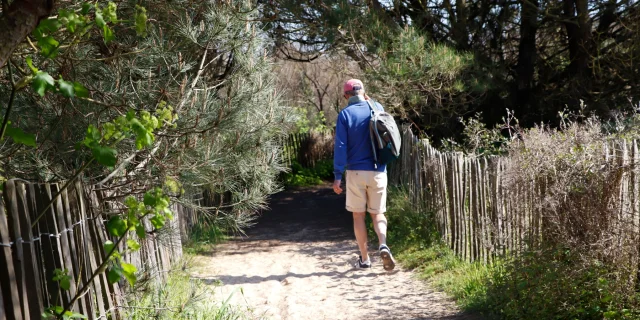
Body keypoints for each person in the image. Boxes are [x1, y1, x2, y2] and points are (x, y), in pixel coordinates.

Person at [332, 79, 396, 271]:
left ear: (346, 96)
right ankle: (383, 243)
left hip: (355, 172)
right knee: (378, 214)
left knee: (358, 216)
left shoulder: (345, 114)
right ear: (364, 92)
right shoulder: (376, 107)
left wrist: (337, 175)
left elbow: (341, 146)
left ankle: (365, 259)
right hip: (378, 170)